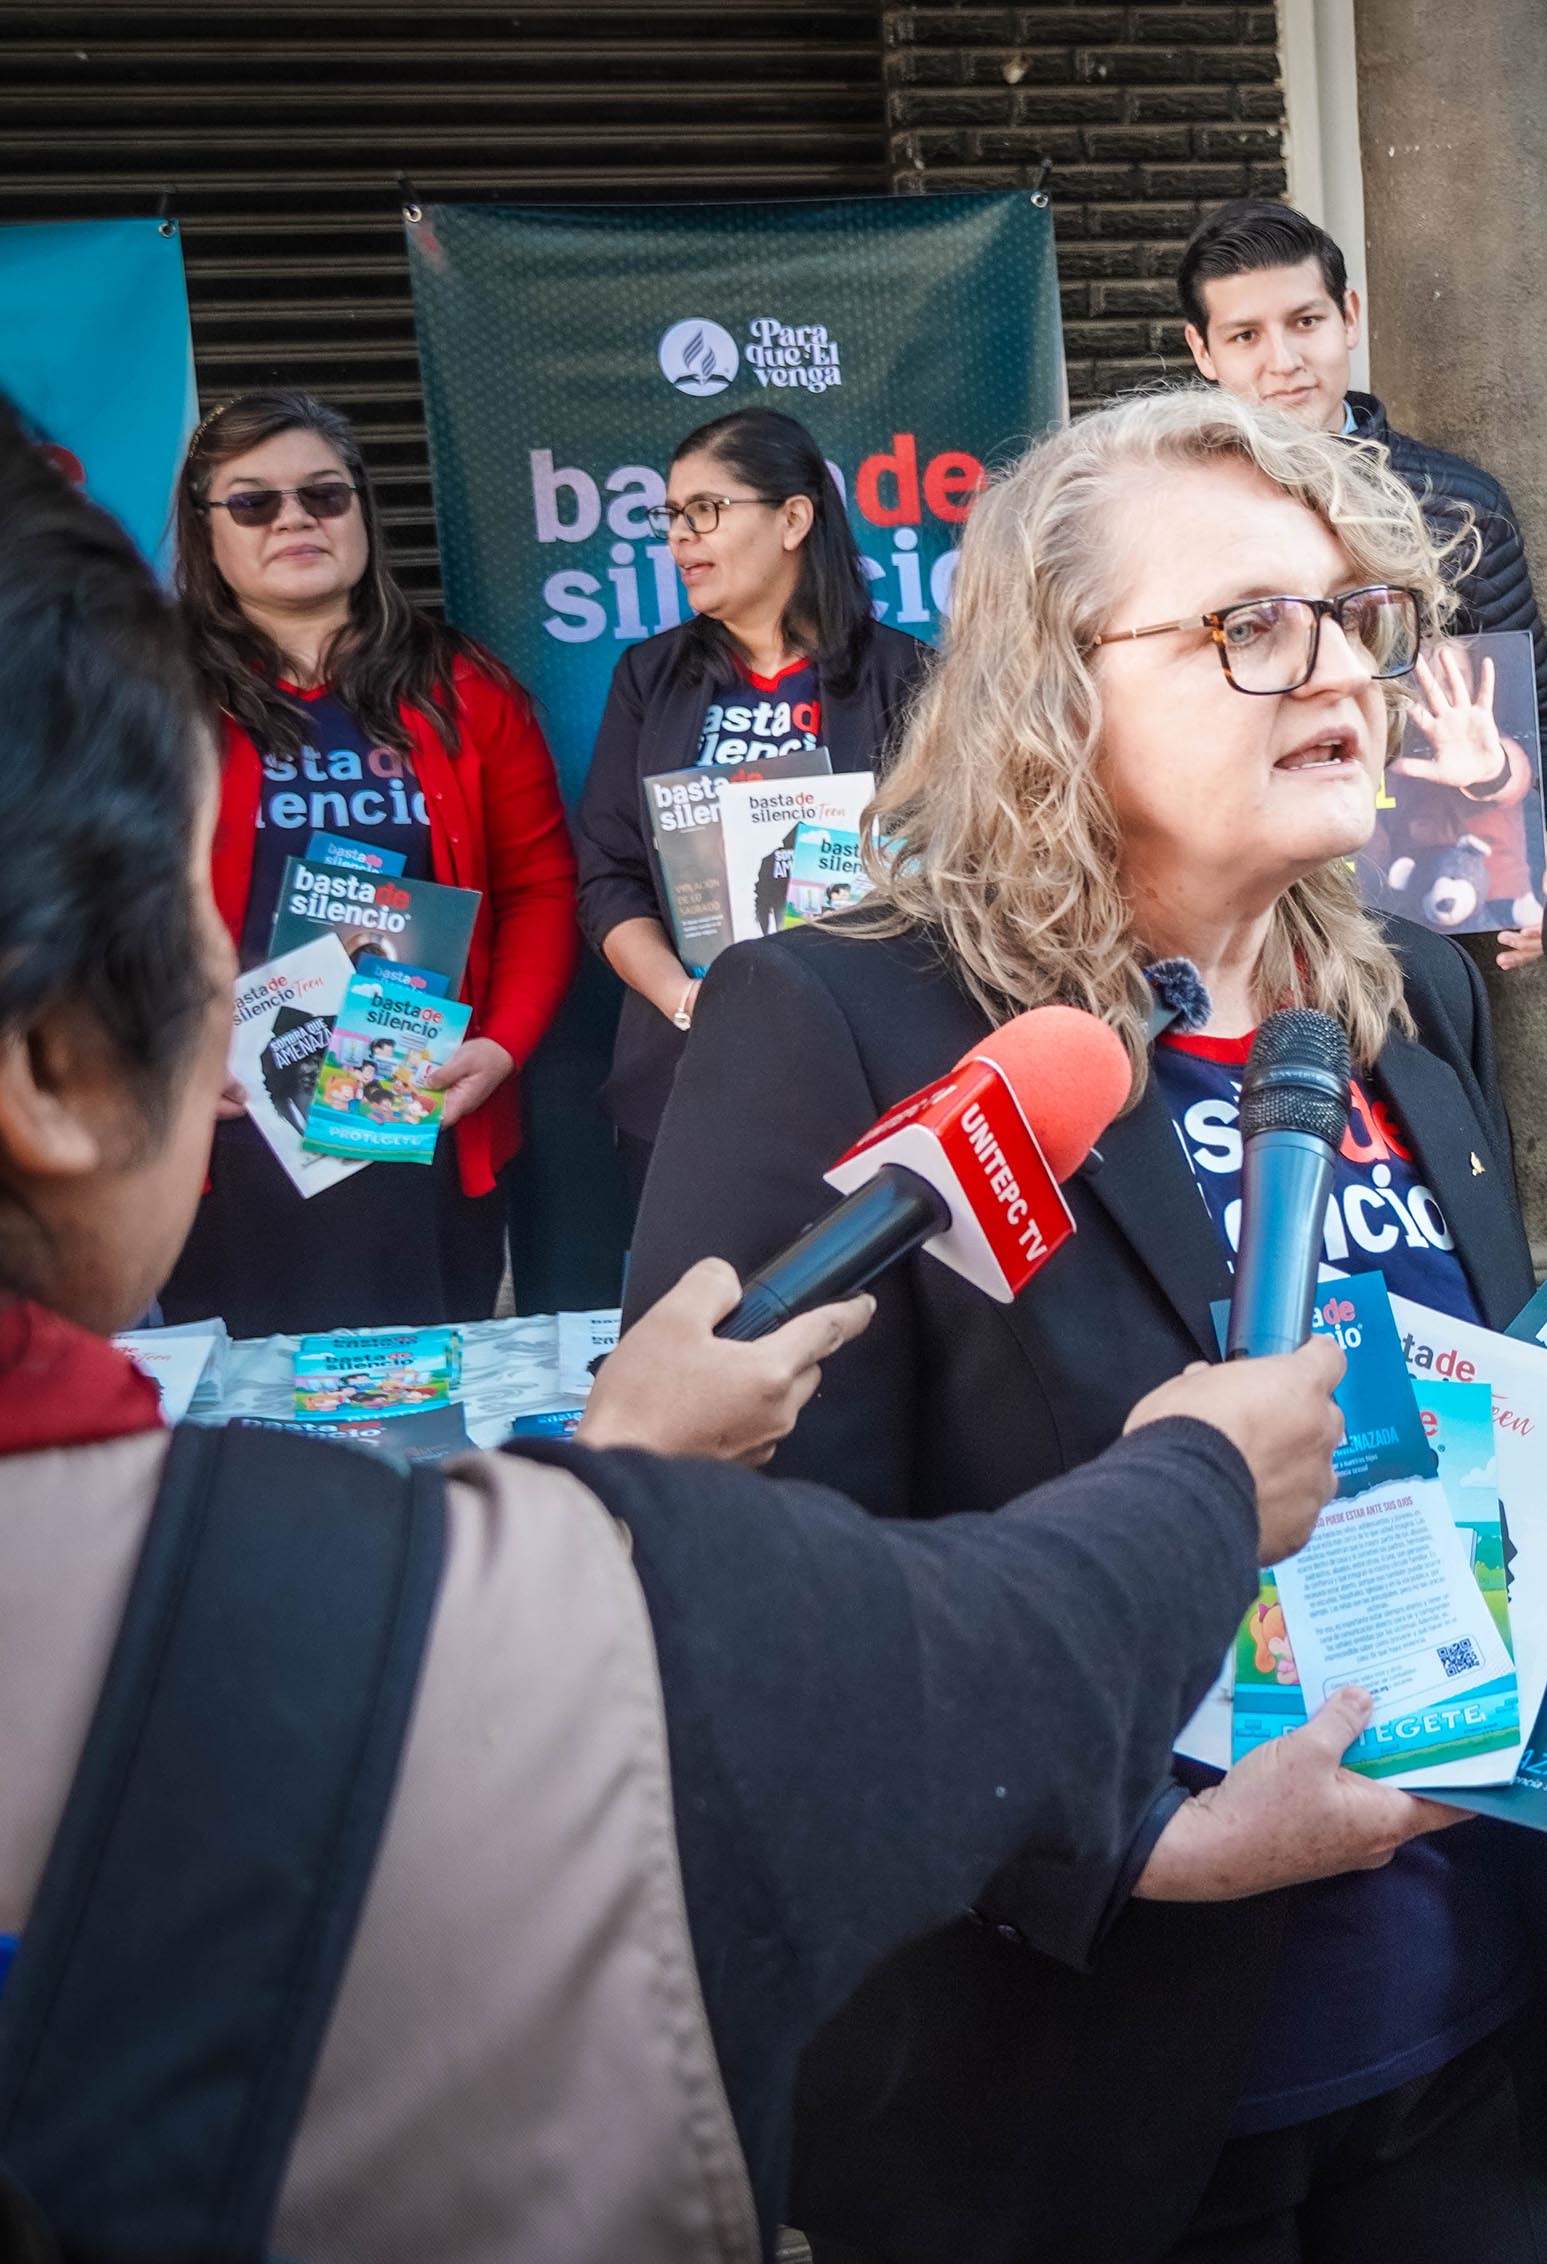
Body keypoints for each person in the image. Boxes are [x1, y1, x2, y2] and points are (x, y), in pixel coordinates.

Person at [0, 388, 1365, 2263]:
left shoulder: (1398, 999)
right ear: (53, 1066)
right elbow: (792, 1668)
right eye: (186, 902)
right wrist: (1196, 1512)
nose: (242, 968)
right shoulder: (269, 1617)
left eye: (1348, 611)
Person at [626, 388, 1547, 2264]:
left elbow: (1472, 1426)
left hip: (1460, 2045)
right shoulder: (838, 1023)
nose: (1338, 667)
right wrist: (1144, 1843)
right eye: (1251, 624)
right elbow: (740, 1597)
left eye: (1358, 616)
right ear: (1053, 689)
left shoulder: (1409, 994)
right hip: (1076, 2112)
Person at [155, 391, 577, 1337]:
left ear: (361, 515)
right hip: (226, 1124)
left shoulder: (464, 687)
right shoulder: (142, 694)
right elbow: (83, 903)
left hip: (420, 1104)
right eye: (254, 502)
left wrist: (501, 1046)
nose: (295, 518)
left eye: (323, 495)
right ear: (205, 527)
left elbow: (541, 886)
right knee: (250, 1437)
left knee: (417, 1403)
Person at [1177, 197, 1547, 962]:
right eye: (1245, 336)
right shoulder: (1174, 518)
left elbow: (1539, 710)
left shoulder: (1458, 505)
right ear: (1203, 352)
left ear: (1349, 316)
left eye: (1305, 322)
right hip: (1244, 917)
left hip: (1423, 918)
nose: (1283, 361)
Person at [569, 406, 934, 1213]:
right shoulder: (648, 677)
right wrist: (681, 997)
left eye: (706, 510)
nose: (679, 538)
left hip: (862, 1072)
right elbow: (608, 877)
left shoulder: (909, 675)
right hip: (687, 1073)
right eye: (671, 516)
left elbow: (955, 871)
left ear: (794, 518)